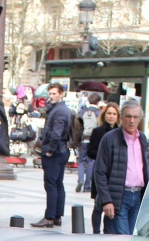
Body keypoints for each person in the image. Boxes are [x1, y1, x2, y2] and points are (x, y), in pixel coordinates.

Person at [91, 99, 149, 235]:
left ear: (140, 118)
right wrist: (106, 200)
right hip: (119, 197)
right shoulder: (110, 138)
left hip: (138, 196)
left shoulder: (142, 139)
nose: (132, 121)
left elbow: (146, 169)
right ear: (122, 117)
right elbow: (99, 172)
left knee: (129, 239)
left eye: (135, 117)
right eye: (128, 116)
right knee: (121, 239)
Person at [30, 83, 73, 228]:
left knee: (51, 184)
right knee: (58, 183)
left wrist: (49, 150)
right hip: (62, 150)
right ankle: (56, 216)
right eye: (50, 93)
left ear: (61, 94)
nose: (52, 96)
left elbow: (56, 133)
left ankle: (49, 217)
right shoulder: (61, 109)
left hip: (55, 151)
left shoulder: (59, 111)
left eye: (55, 93)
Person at [85, 102, 119, 233]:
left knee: (112, 205)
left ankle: (108, 231)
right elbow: (90, 151)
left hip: (115, 174)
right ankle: (96, 231)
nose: (111, 116)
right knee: (98, 204)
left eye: (114, 114)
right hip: (101, 172)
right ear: (104, 115)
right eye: (109, 113)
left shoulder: (121, 132)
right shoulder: (98, 132)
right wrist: (103, 155)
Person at [75, 93, 101, 193]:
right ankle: (87, 185)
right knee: (91, 162)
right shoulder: (98, 113)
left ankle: (80, 179)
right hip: (93, 140)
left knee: (81, 161)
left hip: (83, 139)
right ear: (98, 102)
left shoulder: (82, 111)